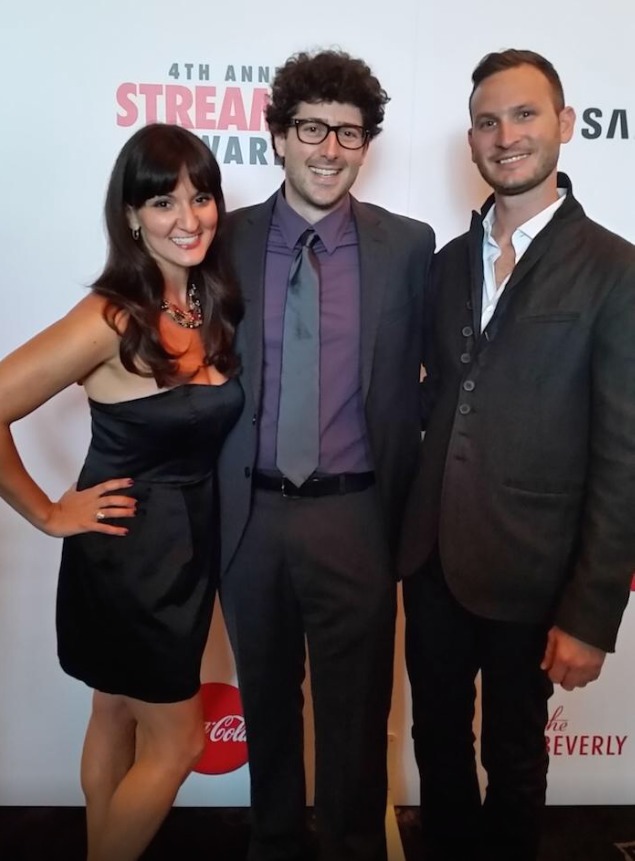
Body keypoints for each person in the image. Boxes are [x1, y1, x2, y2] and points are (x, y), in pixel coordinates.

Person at [399, 49, 635, 861]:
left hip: (533, 569)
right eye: (488, 121)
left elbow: (623, 452)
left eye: (525, 115)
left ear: (565, 126)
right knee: (436, 742)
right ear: (470, 140)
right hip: (430, 557)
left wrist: (591, 611)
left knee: (513, 757)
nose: (506, 135)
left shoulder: (615, 270)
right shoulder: (439, 267)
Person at [0, 123, 243, 861]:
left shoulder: (206, 298)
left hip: (186, 549)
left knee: (113, 711)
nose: (188, 218)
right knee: (178, 743)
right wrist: (45, 511)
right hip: (130, 561)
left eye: (201, 197)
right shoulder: (109, 316)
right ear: (132, 215)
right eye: (164, 202)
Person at [217, 49, 434, 861]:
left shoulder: (409, 248)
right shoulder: (221, 241)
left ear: (365, 144)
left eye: (349, 132)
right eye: (312, 127)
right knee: (267, 704)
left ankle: (351, 845)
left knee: (355, 712)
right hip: (248, 515)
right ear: (277, 135)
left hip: (356, 513)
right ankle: (272, 842)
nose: (330, 148)